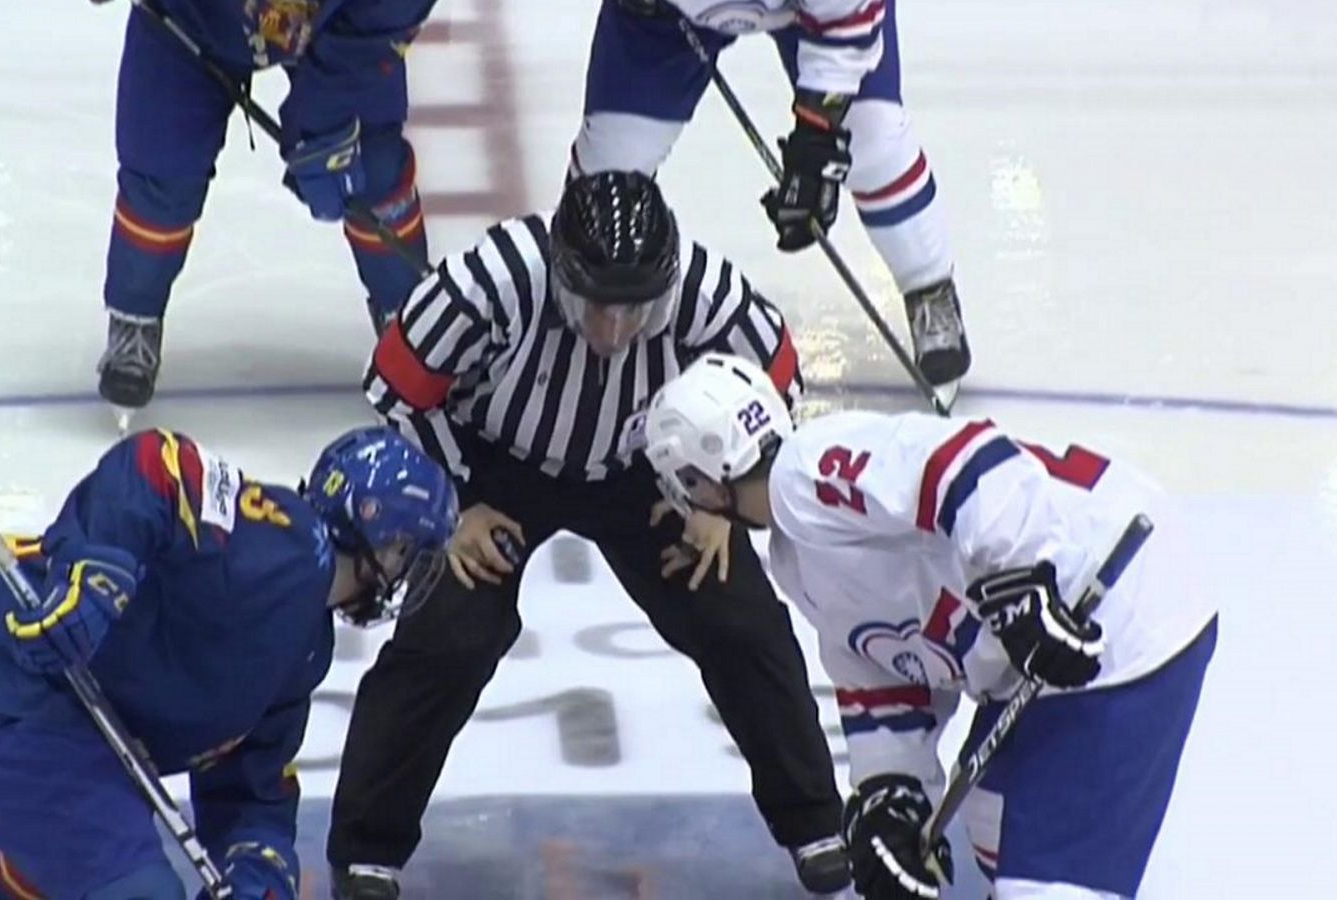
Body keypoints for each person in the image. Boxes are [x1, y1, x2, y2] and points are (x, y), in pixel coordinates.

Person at [328, 171, 848, 899]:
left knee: (739, 617)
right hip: (490, 465)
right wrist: (455, 507)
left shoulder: (710, 293)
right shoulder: (497, 276)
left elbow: (777, 386)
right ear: (559, 274)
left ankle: (817, 822)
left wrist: (716, 507)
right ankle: (365, 849)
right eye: (595, 306)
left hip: (650, 470)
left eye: (635, 312)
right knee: (448, 632)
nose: (613, 332)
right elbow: (395, 377)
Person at [643, 353, 1219, 899]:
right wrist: (893, 789)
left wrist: (1022, 579)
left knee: (1047, 886)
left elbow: (962, 457)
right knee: (990, 817)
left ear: (700, 479)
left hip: (1122, 612)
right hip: (1050, 649)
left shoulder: (806, 473)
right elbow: (880, 664)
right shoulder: (801, 557)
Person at [0, 425, 456, 899]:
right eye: (410, 551)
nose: (408, 573)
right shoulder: (283, 544)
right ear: (379, 529)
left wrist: (258, 872)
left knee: (88, 841)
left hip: (55, 720)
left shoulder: (306, 646)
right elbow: (156, 463)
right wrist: (96, 577)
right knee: (138, 888)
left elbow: (252, 787)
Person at [571, 0, 972, 391]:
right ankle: (590, 290)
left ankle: (928, 286)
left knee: (872, 144)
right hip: (665, 15)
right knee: (611, 164)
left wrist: (817, 139)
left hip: (818, 14)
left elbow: (846, 24)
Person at [96, 0, 436, 416]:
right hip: (193, 17)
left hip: (336, 24)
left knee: (371, 167)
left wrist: (322, 124)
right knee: (161, 168)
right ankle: (135, 316)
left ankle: (413, 322)